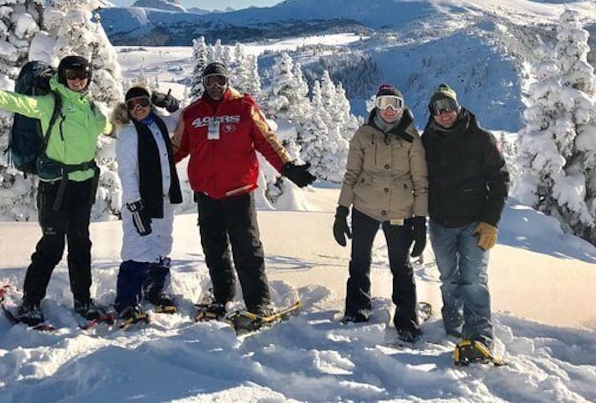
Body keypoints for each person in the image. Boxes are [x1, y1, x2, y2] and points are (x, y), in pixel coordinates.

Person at [0, 56, 110, 325]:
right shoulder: (49, 104)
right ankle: (30, 302)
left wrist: (135, 115)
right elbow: (17, 102)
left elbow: (110, 126)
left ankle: (83, 300)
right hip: (55, 185)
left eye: (83, 76)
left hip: (84, 185)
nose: (78, 81)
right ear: (63, 77)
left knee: (81, 245)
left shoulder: (90, 108)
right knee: (52, 246)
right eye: (72, 75)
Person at [173, 61, 316, 318]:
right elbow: (177, 148)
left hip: (238, 192)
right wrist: (151, 162)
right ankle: (222, 296)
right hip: (206, 194)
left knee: (247, 249)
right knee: (214, 250)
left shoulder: (244, 107)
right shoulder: (192, 113)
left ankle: (258, 301)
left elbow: (266, 140)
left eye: (220, 80)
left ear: (227, 81)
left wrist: (287, 167)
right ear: (203, 84)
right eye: (209, 81)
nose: (215, 86)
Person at [420, 83, 509, 362]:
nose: (444, 114)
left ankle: (480, 336)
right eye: (438, 109)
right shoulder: (427, 142)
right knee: (449, 278)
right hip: (440, 223)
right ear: (432, 113)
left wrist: (490, 221)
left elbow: (500, 180)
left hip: (474, 224)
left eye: (448, 107)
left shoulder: (481, 139)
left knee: (473, 281)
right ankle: (453, 321)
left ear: (458, 108)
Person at [334, 84, 429, 343]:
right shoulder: (363, 135)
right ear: (376, 105)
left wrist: (420, 221)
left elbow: (421, 182)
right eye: (384, 103)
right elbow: (351, 174)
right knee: (359, 261)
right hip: (365, 207)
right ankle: (356, 310)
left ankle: (407, 319)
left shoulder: (412, 138)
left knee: (401, 265)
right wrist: (341, 210)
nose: (389, 110)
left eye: (395, 104)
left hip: (400, 210)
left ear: (402, 107)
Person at [112, 85, 182, 323]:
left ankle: (156, 290)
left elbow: (181, 119)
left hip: (163, 197)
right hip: (140, 201)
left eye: (142, 102)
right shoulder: (129, 134)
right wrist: (135, 205)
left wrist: (171, 103)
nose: (139, 108)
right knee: (137, 248)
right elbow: (127, 173)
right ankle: (126, 301)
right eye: (133, 105)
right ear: (128, 109)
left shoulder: (159, 122)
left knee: (162, 245)